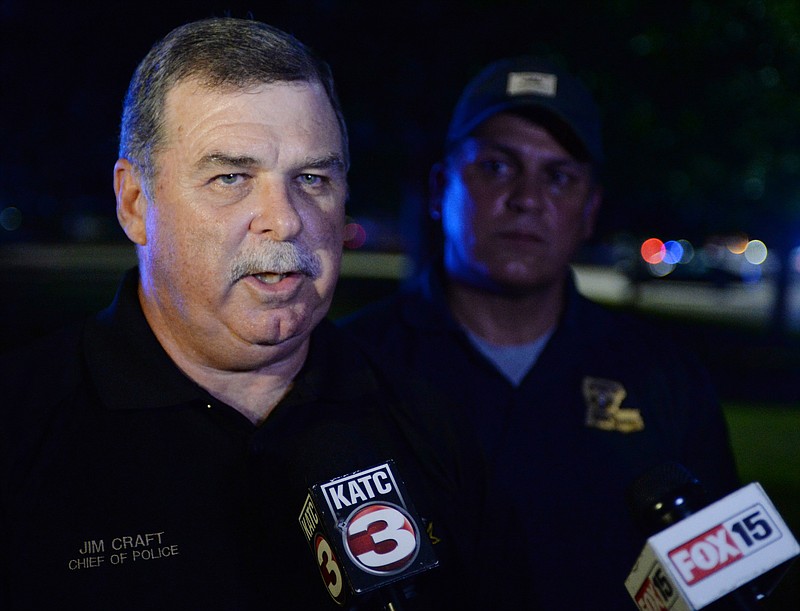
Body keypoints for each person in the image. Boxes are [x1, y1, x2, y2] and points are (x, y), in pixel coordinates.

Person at [0, 18, 484, 610]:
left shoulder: (431, 420)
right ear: (134, 203)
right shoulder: (22, 428)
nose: (283, 219)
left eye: (312, 178)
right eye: (231, 177)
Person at [341, 56, 741, 609]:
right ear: (440, 188)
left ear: (590, 210)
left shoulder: (667, 380)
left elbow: (722, 589)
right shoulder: (347, 371)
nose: (527, 198)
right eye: (498, 167)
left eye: (558, 176)